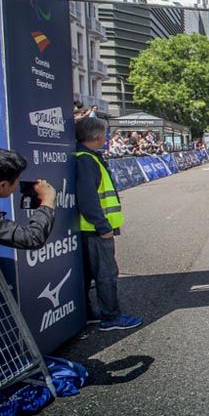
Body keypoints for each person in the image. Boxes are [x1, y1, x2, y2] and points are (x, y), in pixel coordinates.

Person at [75, 117, 143, 331]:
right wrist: (103, 226)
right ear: (98, 136)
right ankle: (111, 317)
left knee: (88, 274)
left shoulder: (86, 157)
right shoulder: (87, 160)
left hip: (89, 228)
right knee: (106, 275)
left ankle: (87, 313)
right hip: (95, 230)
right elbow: (88, 199)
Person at [0, 148, 57, 249]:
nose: (18, 185)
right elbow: (32, 238)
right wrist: (47, 201)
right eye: (17, 181)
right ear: (3, 185)